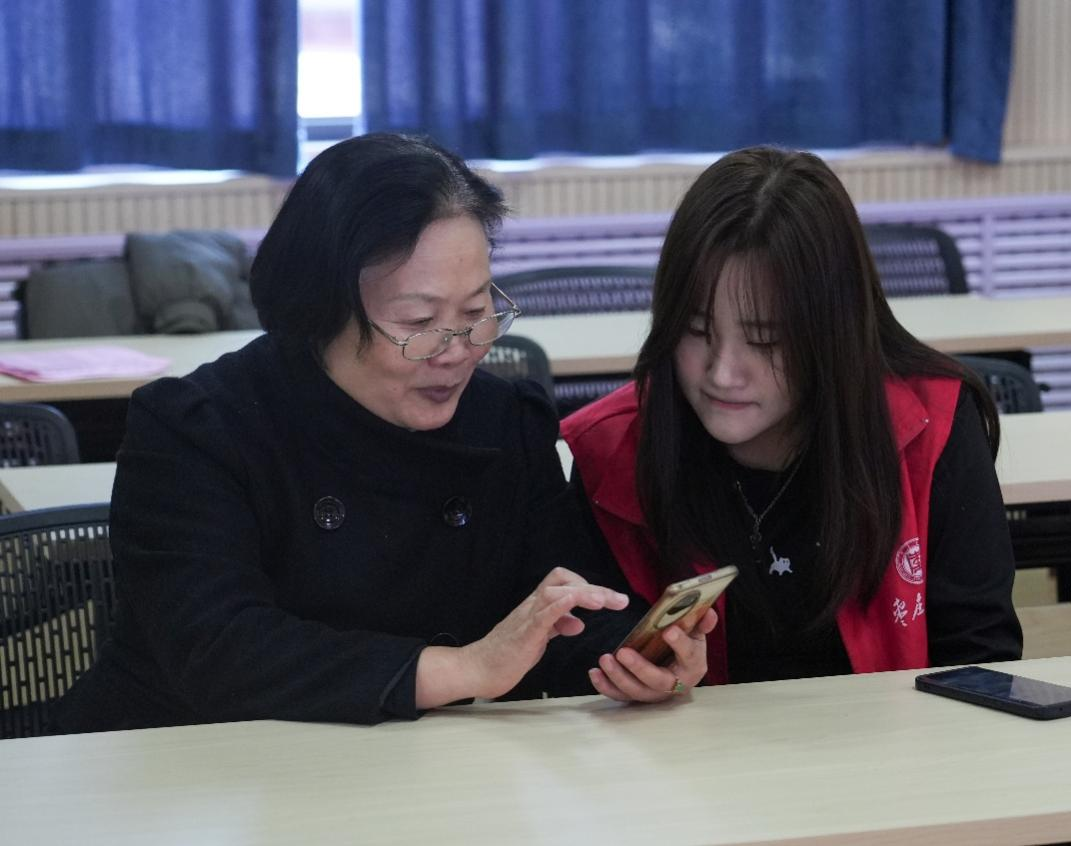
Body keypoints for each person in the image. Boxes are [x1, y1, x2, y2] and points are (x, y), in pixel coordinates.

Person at [57, 133, 708, 733]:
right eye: (419, 322)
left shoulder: (505, 422)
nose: (458, 349)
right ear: (322, 307)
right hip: (187, 771)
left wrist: (630, 657)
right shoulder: (198, 428)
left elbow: (559, 610)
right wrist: (465, 669)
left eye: (477, 310)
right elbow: (220, 652)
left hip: (417, 769)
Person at [563, 146, 1022, 689]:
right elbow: (577, 649)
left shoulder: (931, 422)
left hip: (895, 740)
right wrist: (637, 679)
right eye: (695, 330)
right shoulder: (611, 448)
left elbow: (982, 653)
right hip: (695, 745)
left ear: (832, 333)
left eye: (765, 340)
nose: (722, 373)